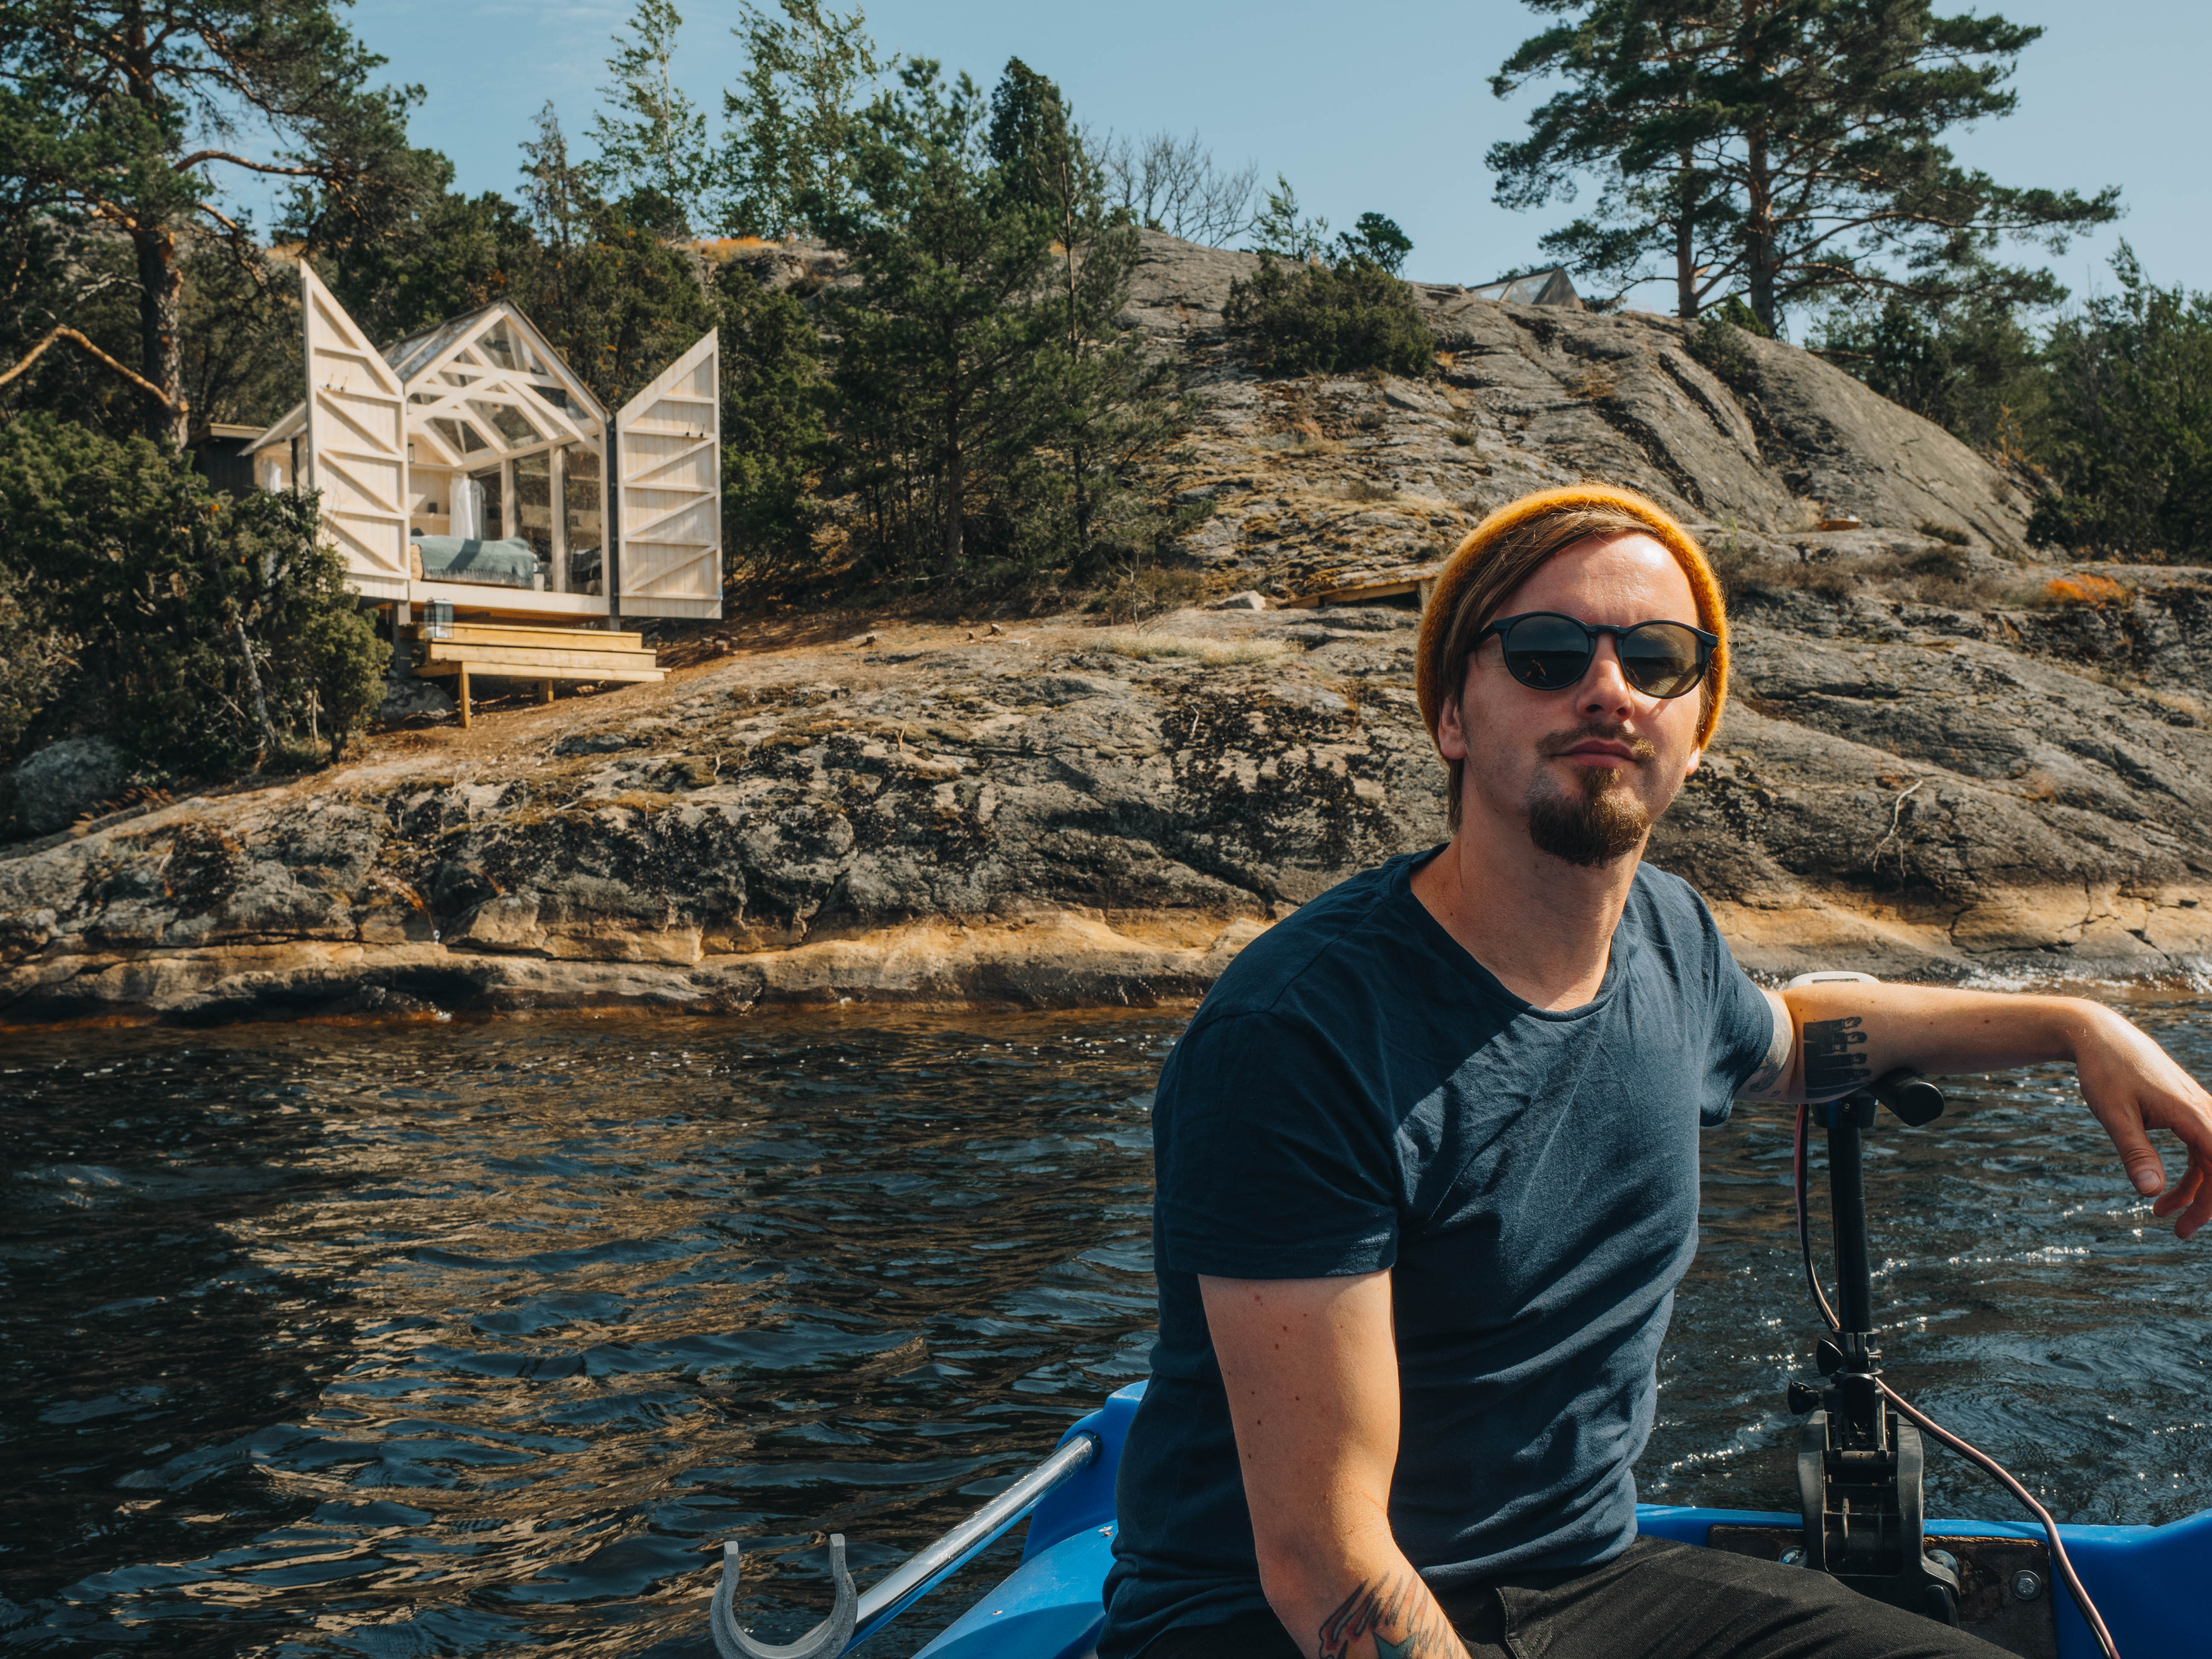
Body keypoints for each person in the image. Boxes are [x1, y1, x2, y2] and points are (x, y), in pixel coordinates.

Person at [1097, 484, 2212, 1659]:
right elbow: (1325, 1564)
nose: (1609, 688)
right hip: (1269, 1624)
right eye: (1543, 652)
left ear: (1697, 718)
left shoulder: (1669, 942)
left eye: (1658, 658)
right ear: (1452, 718)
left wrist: (2078, 1023)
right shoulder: (1298, 1035)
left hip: (1579, 1583)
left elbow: (1796, 1038)